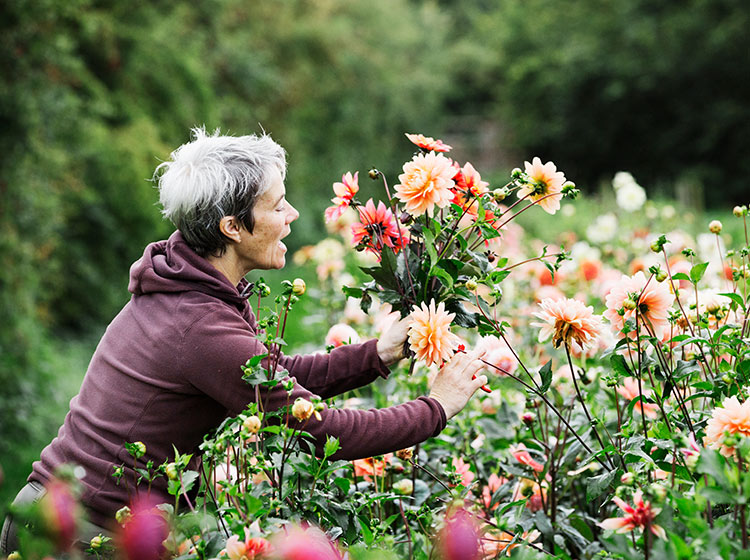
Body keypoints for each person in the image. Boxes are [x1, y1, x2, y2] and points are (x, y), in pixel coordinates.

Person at [0, 128, 489, 556]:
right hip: (73, 538)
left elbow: (272, 379)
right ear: (231, 227)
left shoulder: (194, 287)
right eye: (277, 206)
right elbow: (319, 432)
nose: (294, 213)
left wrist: (377, 354)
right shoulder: (198, 326)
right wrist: (437, 406)